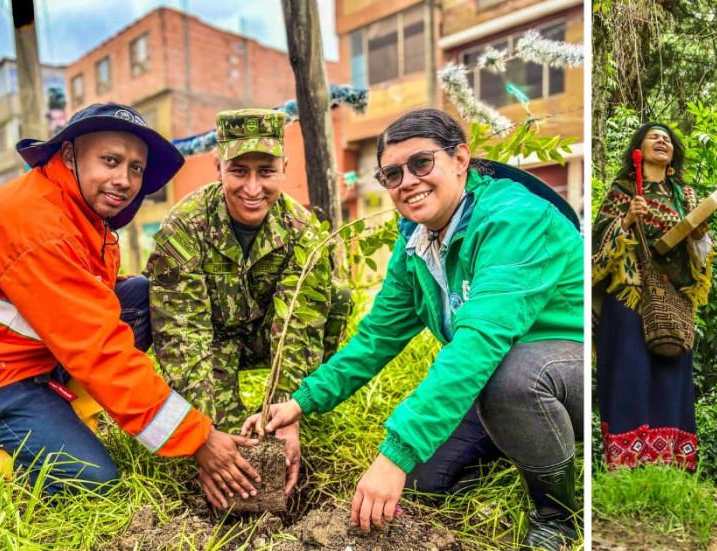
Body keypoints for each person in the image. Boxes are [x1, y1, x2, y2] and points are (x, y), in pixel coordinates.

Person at [243, 109, 583, 550]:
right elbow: (376, 337)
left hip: (568, 368)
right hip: (494, 377)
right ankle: (521, 439)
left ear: (460, 159)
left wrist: (394, 455)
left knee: (511, 380)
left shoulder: (514, 219)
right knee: (424, 481)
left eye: (422, 164)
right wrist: (302, 400)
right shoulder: (415, 241)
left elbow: (479, 344)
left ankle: (557, 515)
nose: (408, 181)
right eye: (392, 173)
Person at [0, 103, 260, 500]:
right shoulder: (37, 224)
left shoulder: (71, 207)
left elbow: (92, 304)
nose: (124, 179)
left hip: (30, 350)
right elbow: (100, 348)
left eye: (135, 168)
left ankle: (58, 404)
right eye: (110, 160)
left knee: (142, 296)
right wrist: (198, 437)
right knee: (89, 480)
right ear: (69, 155)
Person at [145, 109, 350, 507]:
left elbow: (298, 326)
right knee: (223, 433)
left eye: (266, 172)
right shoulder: (184, 226)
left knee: (338, 297)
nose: (253, 188)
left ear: (284, 169)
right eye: (239, 171)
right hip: (211, 339)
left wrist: (290, 413)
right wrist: (209, 436)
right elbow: (183, 336)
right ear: (218, 166)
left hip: (264, 338)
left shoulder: (301, 229)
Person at [591, 122, 713, 471]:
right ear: (638, 150)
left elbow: (702, 258)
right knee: (630, 375)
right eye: (654, 137)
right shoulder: (622, 191)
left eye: (668, 139)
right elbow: (597, 245)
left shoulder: (685, 196)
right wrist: (627, 220)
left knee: (671, 375)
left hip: (674, 299)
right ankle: (629, 464)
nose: (662, 141)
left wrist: (698, 236)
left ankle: (671, 465)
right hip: (629, 295)